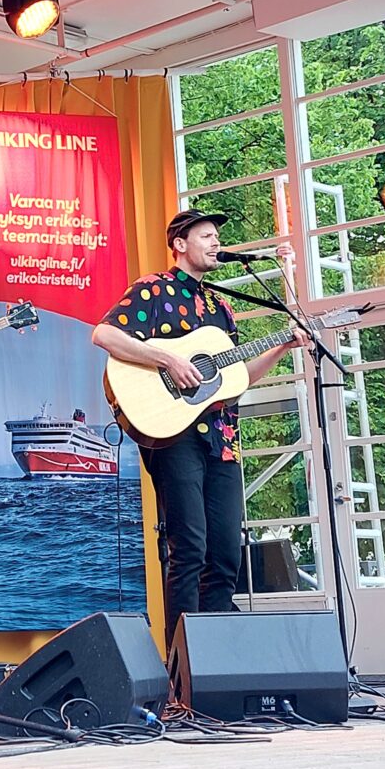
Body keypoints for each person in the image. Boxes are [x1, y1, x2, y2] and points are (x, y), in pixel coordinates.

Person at [91, 209, 305, 647]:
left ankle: (217, 658)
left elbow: (236, 378)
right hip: (175, 434)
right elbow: (105, 335)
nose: (215, 242)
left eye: (216, 236)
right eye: (206, 235)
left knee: (225, 552)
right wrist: (168, 359)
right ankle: (181, 664)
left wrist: (283, 345)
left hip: (222, 438)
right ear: (180, 244)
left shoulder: (221, 308)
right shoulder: (154, 290)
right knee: (189, 548)